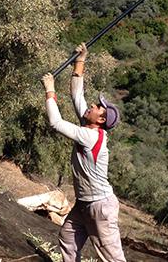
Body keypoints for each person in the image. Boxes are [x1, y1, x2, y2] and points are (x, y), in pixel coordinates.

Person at [41, 43, 126, 262]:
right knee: (68, 239)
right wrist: (81, 59)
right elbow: (77, 94)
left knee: (112, 258)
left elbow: (55, 122)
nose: (92, 104)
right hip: (84, 203)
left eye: (97, 106)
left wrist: (50, 90)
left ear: (100, 120)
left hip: (100, 206)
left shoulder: (91, 136)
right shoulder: (88, 126)